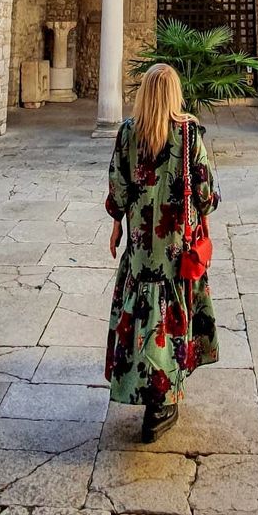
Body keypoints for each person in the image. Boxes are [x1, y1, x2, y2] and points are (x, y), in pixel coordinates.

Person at [104, 62, 220, 442]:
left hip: (141, 244)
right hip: (176, 244)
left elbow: (118, 186)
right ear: (174, 94)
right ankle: (163, 397)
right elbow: (204, 193)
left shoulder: (127, 133)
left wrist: (117, 222)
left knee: (141, 309)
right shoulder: (188, 133)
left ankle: (143, 384)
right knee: (170, 312)